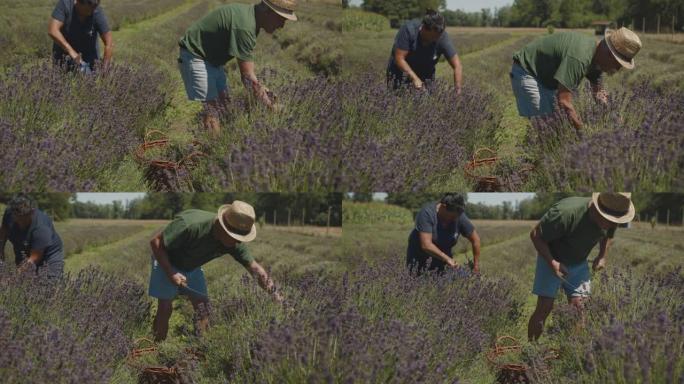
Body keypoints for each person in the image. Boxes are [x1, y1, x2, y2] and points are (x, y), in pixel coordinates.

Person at [149, 200, 283, 341]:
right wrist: (171, 273)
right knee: (165, 308)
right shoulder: (190, 225)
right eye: (236, 238)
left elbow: (255, 269)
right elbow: (156, 243)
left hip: (192, 265)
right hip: (167, 259)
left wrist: (277, 297)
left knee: (204, 308)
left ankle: (201, 348)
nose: (238, 242)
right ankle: (158, 347)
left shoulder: (233, 243)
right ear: (224, 228)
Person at [178, 0, 296, 136]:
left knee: (225, 105)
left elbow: (250, 77)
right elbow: (247, 78)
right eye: (281, 19)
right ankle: (213, 153)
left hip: (212, 60)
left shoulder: (251, 19)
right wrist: (270, 106)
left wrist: (263, 91)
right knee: (212, 110)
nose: (282, 25)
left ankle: (222, 144)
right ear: (267, 12)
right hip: (196, 55)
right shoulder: (245, 27)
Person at [527, 193, 635, 341]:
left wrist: (602, 255)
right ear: (597, 210)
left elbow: (608, 235)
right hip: (552, 258)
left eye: (615, 222)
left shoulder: (613, 217)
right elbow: (535, 235)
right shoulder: (565, 214)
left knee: (579, 308)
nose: (613, 225)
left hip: (579, 262)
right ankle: (530, 349)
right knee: (545, 307)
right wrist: (553, 263)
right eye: (609, 221)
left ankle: (571, 352)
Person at [510, 27, 642, 131]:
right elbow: (564, 102)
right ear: (608, 54)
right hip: (527, 72)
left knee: (557, 126)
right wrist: (582, 132)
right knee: (546, 128)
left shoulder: (596, 58)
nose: (617, 69)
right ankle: (536, 161)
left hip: (546, 79)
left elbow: (599, 94)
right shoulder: (579, 58)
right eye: (618, 63)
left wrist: (617, 119)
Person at [386, 9, 462, 94]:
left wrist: (457, 90)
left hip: (426, 75)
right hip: (400, 74)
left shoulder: (442, 37)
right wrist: (415, 78)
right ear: (424, 28)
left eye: (438, 36)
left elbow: (457, 65)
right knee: (397, 101)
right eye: (433, 36)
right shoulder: (408, 30)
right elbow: (399, 59)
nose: (436, 39)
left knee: (425, 102)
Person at [406, 193, 481, 275]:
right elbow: (426, 245)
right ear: (443, 207)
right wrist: (447, 259)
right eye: (452, 217)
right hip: (420, 257)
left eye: (457, 216)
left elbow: (475, 239)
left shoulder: (459, 215)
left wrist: (476, 265)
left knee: (455, 280)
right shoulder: (427, 213)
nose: (455, 219)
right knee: (418, 282)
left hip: (443, 258)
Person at [0, 195, 65, 279]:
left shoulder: (41, 227)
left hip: (49, 254)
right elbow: (3, 232)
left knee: (50, 283)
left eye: (24, 219)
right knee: (23, 282)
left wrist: (12, 278)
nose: (21, 223)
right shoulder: (10, 213)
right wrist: (1, 252)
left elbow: (34, 257)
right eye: (18, 218)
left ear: (32, 212)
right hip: (22, 249)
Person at [48, 0, 113, 73]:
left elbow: (109, 43)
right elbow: (52, 31)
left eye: (94, 7)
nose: (92, 11)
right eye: (89, 9)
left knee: (90, 81)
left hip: (90, 59)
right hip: (63, 57)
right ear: (78, 2)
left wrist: (105, 69)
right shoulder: (65, 4)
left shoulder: (96, 10)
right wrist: (72, 53)